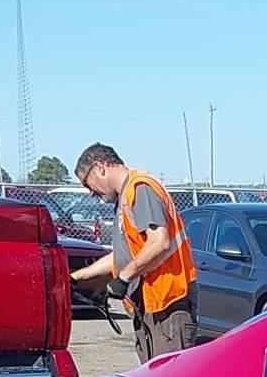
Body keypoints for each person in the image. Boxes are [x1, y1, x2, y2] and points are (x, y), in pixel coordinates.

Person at [70, 143, 199, 363]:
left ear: (100, 167)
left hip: (168, 303)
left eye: (87, 184)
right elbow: (122, 256)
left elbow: (159, 242)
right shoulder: (125, 199)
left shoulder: (140, 188)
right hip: (150, 305)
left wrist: (123, 278)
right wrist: (77, 277)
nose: (91, 193)